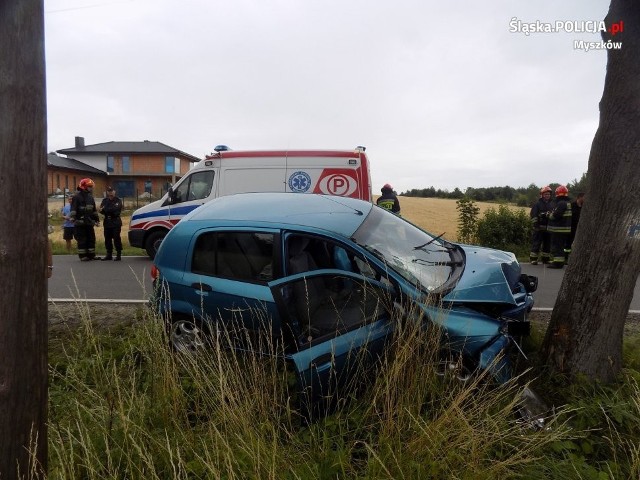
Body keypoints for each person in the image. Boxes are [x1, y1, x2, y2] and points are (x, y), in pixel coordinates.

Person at [70, 178, 100, 261]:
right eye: (89, 186)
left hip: (89, 222)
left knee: (91, 239)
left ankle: (91, 255)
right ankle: (83, 256)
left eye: (91, 186)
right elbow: (73, 209)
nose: (91, 188)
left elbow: (94, 210)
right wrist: (73, 218)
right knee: (82, 239)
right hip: (80, 222)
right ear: (84, 187)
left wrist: (97, 220)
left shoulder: (90, 198)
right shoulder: (76, 197)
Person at [547, 185, 572, 269]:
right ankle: (558, 261)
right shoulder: (567, 203)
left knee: (557, 246)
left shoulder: (561, 203)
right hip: (564, 229)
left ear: (557, 194)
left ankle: (557, 263)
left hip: (559, 229)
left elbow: (556, 215)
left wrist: (549, 215)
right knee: (560, 246)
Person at [529, 186, 553, 265]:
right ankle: (533, 259)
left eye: (548, 194)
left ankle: (545, 259)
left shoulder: (552, 204)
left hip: (548, 228)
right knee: (537, 243)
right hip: (539, 228)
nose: (547, 195)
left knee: (547, 244)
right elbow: (533, 215)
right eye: (546, 194)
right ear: (542, 195)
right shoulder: (538, 204)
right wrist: (536, 225)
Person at [100, 186, 123, 261]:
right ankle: (109, 254)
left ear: (114, 192)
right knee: (107, 239)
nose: (110, 192)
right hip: (107, 222)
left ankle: (118, 254)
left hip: (115, 222)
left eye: (112, 191)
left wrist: (106, 209)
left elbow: (116, 210)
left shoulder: (118, 200)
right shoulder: (105, 200)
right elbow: (101, 210)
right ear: (107, 192)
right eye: (109, 191)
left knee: (116, 238)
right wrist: (108, 209)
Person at [565, 192, 585, 262]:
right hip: (571, 227)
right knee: (568, 243)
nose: (585, 199)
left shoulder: (584, 206)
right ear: (579, 197)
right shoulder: (571, 205)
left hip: (580, 228)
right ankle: (566, 257)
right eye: (584, 197)